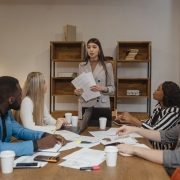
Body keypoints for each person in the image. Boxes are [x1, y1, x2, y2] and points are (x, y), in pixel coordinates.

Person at [0, 76, 65, 156]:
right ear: (11, 100)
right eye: (20, 95)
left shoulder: (7, 112)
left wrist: (43, 135)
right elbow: (1, 148)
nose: (22, 98)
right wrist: (37, 144)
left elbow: (20, 131)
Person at [116, 81, 180, 149]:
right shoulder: (159, 108)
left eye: (158, 89)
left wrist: (132, 120)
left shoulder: (174, 111)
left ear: (166, 94)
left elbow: (155, 132)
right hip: (150, 144)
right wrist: (128, 120)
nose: (155, 91)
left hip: (161, 151)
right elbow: (149, 124)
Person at [74, 38, 115, 118]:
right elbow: (80, 87)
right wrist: (77, 92)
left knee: (102, 129)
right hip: (85, 104)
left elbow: (112, 89)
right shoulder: (82, 65)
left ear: (99, 49)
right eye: (88, 47)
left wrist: (102, 88)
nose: (91, 50)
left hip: (101, 104)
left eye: (94, 47)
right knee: (84, 129)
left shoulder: (107, 65)